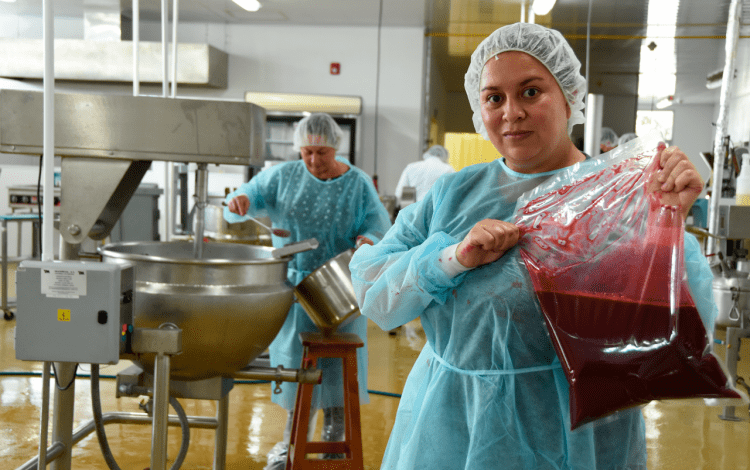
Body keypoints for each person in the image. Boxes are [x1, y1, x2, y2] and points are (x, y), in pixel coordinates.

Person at [350, 22, 711, 469]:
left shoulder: (619, 196)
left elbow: (682, 335)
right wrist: (450, 258)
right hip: (450, 429)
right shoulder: (452, 195)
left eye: (531, 92)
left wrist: (668, 224)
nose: (511, 112)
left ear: (568, 97)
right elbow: (375, 292)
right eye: (494, 97)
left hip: (573, 438)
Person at [225, 112, 392, 470]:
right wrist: (237, 201)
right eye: (307, 153)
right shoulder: (282, 177)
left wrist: (368, 240)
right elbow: (246, 199)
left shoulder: (358, 184)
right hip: (294, 289)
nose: (314, 161)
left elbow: (378, 223)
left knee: (335, 373)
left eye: (322, 153)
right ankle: (290, 444)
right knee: (295, 371)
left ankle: (333, 447)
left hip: (342, 286)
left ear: (336, 148)